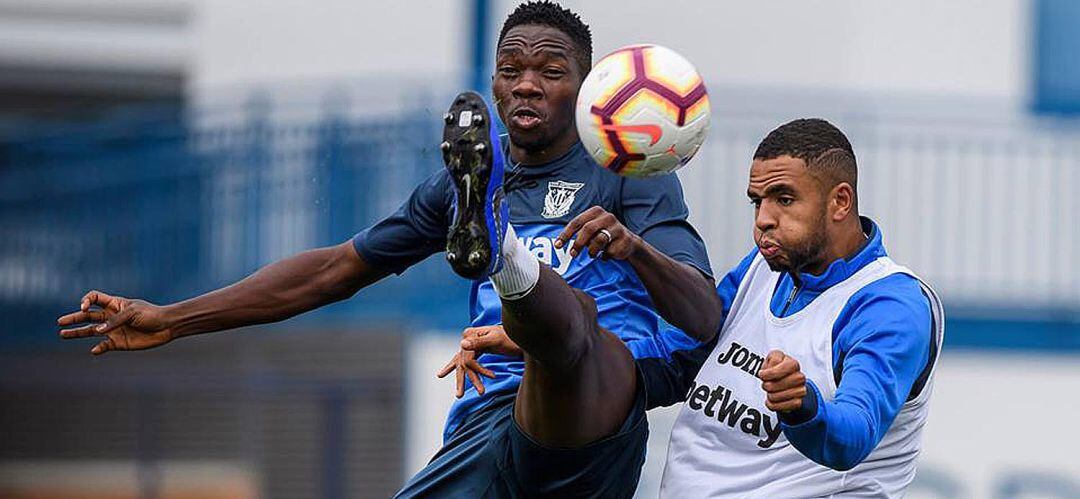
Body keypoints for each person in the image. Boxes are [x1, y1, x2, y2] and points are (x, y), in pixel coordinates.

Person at [57, 2, 720, 497]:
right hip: (485, 423)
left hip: (595, 408)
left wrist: (634, 250)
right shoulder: (452, 187)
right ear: (492, 84)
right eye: (511, 69)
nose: (526, 83)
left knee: (572, 327)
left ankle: (506, 256)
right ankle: (502, 253)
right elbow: (334, 269)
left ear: (587, 89)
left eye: (550, 70)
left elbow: (703, 315)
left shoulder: (630, 176)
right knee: (552, 326)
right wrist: (173, 318)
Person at [648, 118, 944, 498]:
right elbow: (675, 356)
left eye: (784, 199)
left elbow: (853, 435)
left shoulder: (890, 305)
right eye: (758, 201)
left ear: (840, 201)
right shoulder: (763, 266)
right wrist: (579, 356)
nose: (763, 220)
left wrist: (803, 405)